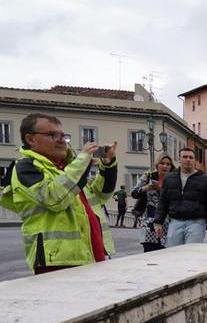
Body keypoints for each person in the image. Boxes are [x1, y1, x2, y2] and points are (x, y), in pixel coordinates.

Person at [0, 113, 117, 273]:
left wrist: (108, 165)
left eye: (63, 135)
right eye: (53, 135)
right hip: (56, 261)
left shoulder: (67, 168)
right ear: (30, 139)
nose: (62, 140)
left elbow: (101, 195)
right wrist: (82, 161)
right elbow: (54, 198)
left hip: (91, 255)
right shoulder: (25, 167)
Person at [154, 147, 207, 246]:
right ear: (179, 159)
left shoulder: (205, 179)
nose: (188, 159)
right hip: (175, 222)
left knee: (191, 254)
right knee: (173, 254)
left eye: (191, 157)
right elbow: (163, 202)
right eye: (185, 157)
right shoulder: (170, 178)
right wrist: (158, 222)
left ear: (194, 160)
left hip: (196, 223)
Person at [132, 156, 172, 252]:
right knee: (149, 253)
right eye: (162, 163)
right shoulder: (148, 176)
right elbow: (134, 193)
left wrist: (161, 189)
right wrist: (145, 188)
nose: (165, 166)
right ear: (157, 165)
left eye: (168, 164)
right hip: (149, 222)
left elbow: (177, 198)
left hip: (167, 222)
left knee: (165, 254)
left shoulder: (173, 179)